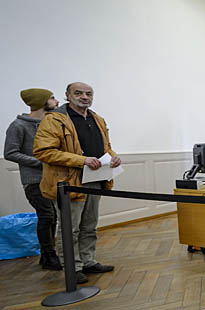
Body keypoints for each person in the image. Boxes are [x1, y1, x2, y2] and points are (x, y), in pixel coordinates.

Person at [33, 82, 120, 284]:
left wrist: (114, 157)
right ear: (67, 95)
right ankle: (73, 267)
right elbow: (43, 151)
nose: (84, 97)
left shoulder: (97, 119)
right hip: (67, 183)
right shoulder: (54, 119)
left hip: (96, 179)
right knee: (69, 228)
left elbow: (106, 146)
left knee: (90, 225)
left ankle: (88, 261)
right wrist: (82, 160)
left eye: (89, 93)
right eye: (78, 93)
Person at [4, 88, 61, 270]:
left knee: (52, 218)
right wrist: (41, 163)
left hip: (52, 179)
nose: (57, 101)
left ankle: (46, 256)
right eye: (52, 98)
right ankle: (49, 256)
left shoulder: (49, 123)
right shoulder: (18, 126)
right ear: (41, 101)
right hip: (34, 180)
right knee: (46, 216)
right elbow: (10, 153)